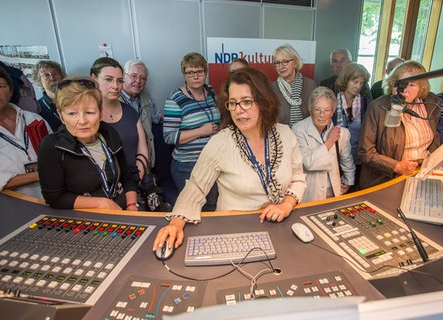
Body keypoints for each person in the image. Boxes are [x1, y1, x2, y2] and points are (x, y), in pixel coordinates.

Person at [153, 67, 306, 251]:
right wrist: (176, 223)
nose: (238, 110)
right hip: (235, 231)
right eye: (233, 103)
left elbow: (298, 179)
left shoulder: (286, 134)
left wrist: (286, 205)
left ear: (264, 102)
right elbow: (196, 186)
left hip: (280, 226)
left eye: (246, 102)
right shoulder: (220, 142)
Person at [37, 78, 138, 210]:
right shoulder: (51, 146)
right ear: (61, 116)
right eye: (72, 113)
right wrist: (102, 203)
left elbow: (127, 177)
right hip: (87, 220)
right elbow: (55, 198)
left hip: (122, 211)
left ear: (100, 113)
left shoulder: (110, 134)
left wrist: (132, 206)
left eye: (90, 112)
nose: (82, 121)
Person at [358, 61, 441, 189]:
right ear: (392, 84)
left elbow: (435, 136)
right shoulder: (377, 108)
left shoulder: (430, 104)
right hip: (387, 178)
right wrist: (396, 166)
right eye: (400, 84)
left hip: (422, 173)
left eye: (412, 85)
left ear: (421, 88)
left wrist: (432, 161)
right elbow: (365, 152)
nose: (405, 90)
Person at [0, 61, 49, 191]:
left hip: (51, 199)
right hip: (8, 205)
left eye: (0, 86)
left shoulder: (33, 119)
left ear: (11, 90)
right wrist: (42, 175)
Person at [163, 52, 220, 211]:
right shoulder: (175, 99)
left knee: (214, 205)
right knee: (197, 207)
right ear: (184, 75)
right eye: (190, 72)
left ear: (205, 73)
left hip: (212, 162)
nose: (195, 76)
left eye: (199, 72)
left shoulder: (211, 92)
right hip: (188, 165)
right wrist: (201, 131)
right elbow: (169, 137)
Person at [292, 87, 355, 202]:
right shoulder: (298, 129)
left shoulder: (343, 133)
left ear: (332, 111)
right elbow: (307, 163)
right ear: (310, 110)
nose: (322, 115)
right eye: (317, 109)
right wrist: (329, 141)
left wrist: (348, 180)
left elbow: (346, 159)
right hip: (309, 190)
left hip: (334, 189)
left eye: (326, 110)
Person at [90, 57, 148, 179]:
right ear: (94, 79)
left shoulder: (130, 112)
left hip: (134, 180)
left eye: (120, 81)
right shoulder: (86, 115)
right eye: (108, 79)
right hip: (102, 186)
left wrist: (136, 181)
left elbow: (142, 152)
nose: (115, 86)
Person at [334, 63, 372, 190]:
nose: (358, 86)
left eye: (361, 83)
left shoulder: (365, 101)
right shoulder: (333, 99)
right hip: (337, 156)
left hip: (358, 157)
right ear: (346, 80)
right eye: (355, 82)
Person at [119, 59, 160, 168]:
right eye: (133, 76)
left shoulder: (146, 99)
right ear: (123, 76)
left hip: (146, 161)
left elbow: (156, 118)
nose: (138, 81)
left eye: (143, 78)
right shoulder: (114, 101)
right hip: (124, 165)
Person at [271, 44, 317, 127]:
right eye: (277, 63)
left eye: (285, 61)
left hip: (307, 135)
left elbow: (316, 114)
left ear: (296, 63)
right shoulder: (271, 88)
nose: (281, 66)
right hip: (281, 136)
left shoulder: (311, 85)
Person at [31, 60, 65, 131]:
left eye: (55, 74)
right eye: (46, 75)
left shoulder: (74, 98)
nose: (52, 78)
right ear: (39, 81)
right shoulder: (37, 108)